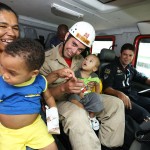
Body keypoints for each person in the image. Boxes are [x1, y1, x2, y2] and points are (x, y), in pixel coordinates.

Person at [40, 21, 125, 150]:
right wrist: (64, 87)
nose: (75, 51)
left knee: (116, 104)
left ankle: (109, 145)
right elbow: (41, 94)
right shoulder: (45, 59)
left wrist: (91, 83)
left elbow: (89, 76)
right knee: (78, 114)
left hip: (83, 94)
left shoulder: (80, 59)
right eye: (73, 44)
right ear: (66, 36)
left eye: (80, 49)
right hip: (59, 101)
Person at [0, 38, 59, 150]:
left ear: (33, 73)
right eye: (2, 66)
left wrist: (53, 123)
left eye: (12, 72)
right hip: (8, 134)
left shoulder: (40, 81)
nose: (5, 75)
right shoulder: (1, 84)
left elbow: (49, 97)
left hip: (35, 128)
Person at [101, 43, 150, 124]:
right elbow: (106, 88)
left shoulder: (130, 68)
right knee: (145, 115)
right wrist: (119, 94)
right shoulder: (110, 68)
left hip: (132, 95)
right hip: (119, 98)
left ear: (133, 56)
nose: (127, 58)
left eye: (130, 55)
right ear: (121, 54)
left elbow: (143, 78)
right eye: (125, 54)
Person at [68, 54, 103, 131]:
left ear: (94, 68)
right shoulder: (77, 73)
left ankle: (92, 116)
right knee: (73, 99)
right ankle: (85, 114)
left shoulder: (94, 76)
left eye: (90, 61)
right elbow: (71, 83)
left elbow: (97, 85)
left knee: (97, 98)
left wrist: (97, 94)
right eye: (86, 59)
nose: (86, 61)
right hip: (76, 94)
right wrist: (79, 91)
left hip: (88, 95)